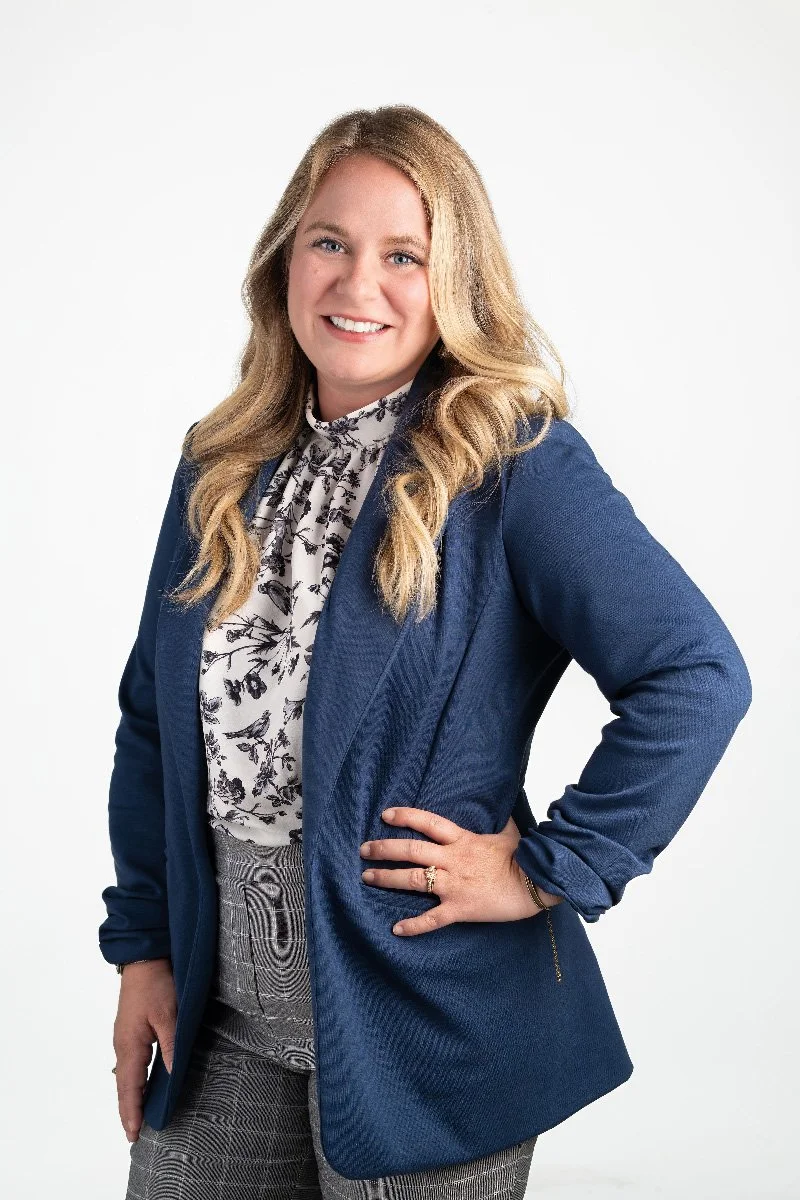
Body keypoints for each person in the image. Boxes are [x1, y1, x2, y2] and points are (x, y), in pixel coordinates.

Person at [99, 105, 752, 1198]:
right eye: (330, 243)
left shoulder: (512, 463)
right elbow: (152, 724)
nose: (360, 286)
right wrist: (144, 950)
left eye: (404, 254)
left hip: (429, 1026)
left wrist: (550, 871)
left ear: (455, 279)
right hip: (222, 1015)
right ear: (283, 260)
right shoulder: (219, 466)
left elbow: (694, 676)